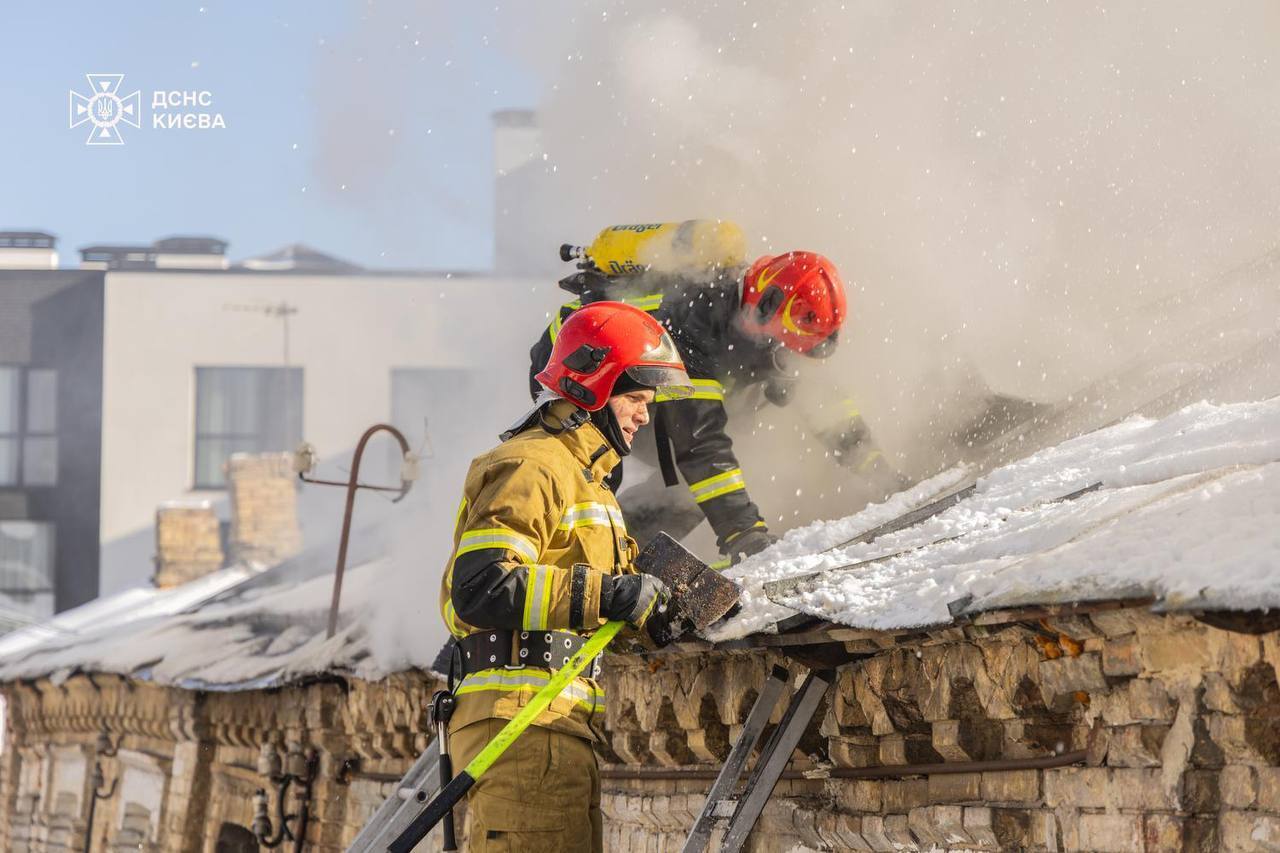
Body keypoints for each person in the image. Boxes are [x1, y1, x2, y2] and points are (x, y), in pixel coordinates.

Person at [440, 301, 693, 852]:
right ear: (593, 390)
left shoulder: (592, 486)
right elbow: (481, 587)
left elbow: (587, 604)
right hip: (522, 722)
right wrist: (614, 593)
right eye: (635, 399)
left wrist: (655, 612)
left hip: (554, 723)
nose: (644, 416)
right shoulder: (535, 464)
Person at [530, 246, 847, 565]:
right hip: (573, 363)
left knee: (690, 489)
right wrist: (745, 533)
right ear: (766, 308)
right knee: (598, 468)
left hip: (635, 378)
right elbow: (700, 442)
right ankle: (567, 568)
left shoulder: (753, 319)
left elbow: (825, 403)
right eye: (781, 348)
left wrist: (877, 468)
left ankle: (625, 554)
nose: (783, 358)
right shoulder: (698, 321)